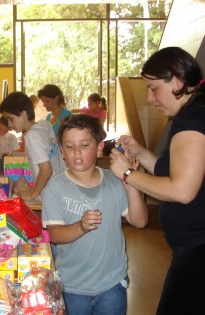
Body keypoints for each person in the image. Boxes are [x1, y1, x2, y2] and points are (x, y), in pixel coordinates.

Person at [109, 47, 205, 315]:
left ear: (177, 81)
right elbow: (174, 170)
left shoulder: (192, 119)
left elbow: (182, 189)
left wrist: (128, 174)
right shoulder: (193, 112)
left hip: (198, 249)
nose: (150, 98)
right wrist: (141, 152)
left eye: (153, 88)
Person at [42, 114, 148, 315]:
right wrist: (80, 227)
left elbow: (140, 221)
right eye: (69, 146)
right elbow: (54, 235)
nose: (77, 153)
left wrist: (130, 181)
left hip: (112, 285)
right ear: (62, 151)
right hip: (72, 287)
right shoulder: (56, 188)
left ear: (100, 147)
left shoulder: (114, 181)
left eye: (84, 145)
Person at [0, 91, 65, 201]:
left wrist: (32, 194)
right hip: (61, 189)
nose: (9, 125)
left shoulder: (31, 136)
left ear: (23, 114)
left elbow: (46, 170)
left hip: (52, 197)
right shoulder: (45, 124)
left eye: (10, 119)